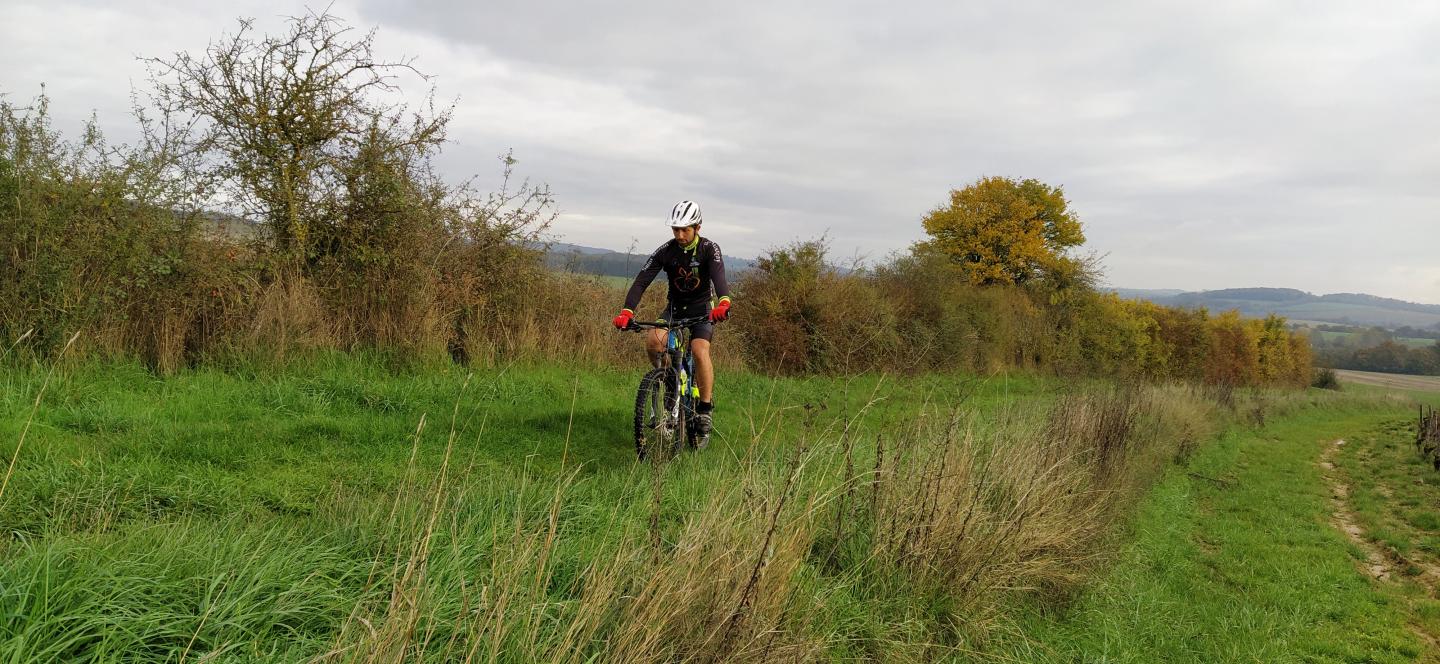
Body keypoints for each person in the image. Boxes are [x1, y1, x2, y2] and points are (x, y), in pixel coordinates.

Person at [612, 200, 731, 447]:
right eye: (676, 229)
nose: (679, 235)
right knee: (654, 341)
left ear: (697, 228)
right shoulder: (666, 251)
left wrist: (724, 302)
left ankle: (705, 408)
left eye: (685, 229)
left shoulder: (709, 249)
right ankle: (671, 380)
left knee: (699, 349)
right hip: (675, 309)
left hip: (702, 310)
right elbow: (642, 280)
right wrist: (627, 311)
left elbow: (718, 276)